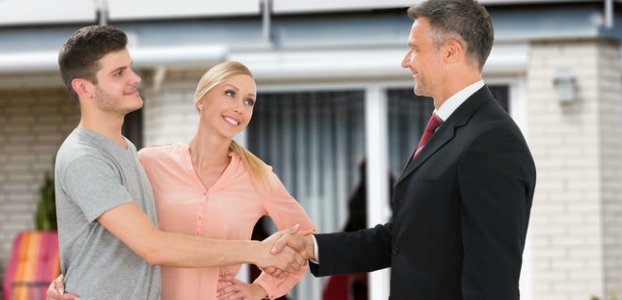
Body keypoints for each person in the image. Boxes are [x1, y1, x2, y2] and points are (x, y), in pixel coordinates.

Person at [271, 0, 537, 299]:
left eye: (415, 49)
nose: (406, 61)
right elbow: (402, 238)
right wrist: (313, 247)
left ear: (451, 51)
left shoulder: (491, 141)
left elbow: (492, 283)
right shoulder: (448, 130)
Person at [52, 26, 306, 299]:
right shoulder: (91, 157)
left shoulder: (128, 152)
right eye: (118, 73)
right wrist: (257, 251)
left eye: (130, 68)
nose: (134, 78)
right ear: (83, 88)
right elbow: (152, 246)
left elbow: (104, 242)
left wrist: (260, 289)